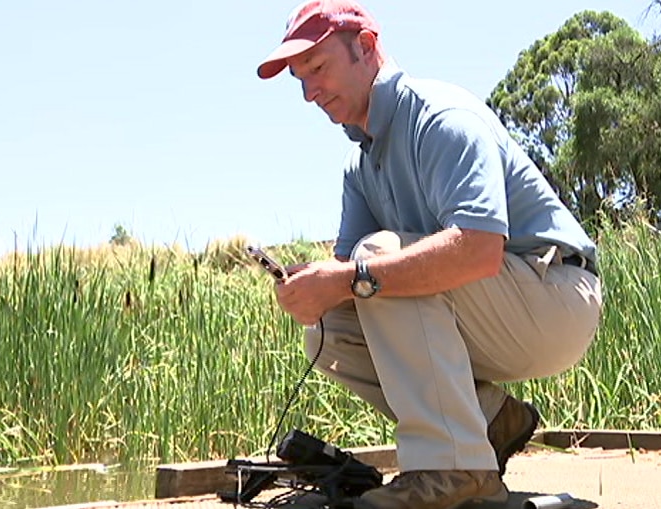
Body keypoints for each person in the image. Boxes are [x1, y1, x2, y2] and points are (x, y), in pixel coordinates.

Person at [256, 1, 603, 508]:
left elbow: (480, 250)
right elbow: (353, 286)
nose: (310, 93)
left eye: (319, 69)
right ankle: (489, 420)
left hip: (556, 298)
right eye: (299, 80)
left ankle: (455, 470)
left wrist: (349, 276)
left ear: (367, 48)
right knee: (330, 330)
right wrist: (314, 290)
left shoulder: (443, 118)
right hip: (495, 308)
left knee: (370, 267)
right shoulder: (360, 167)